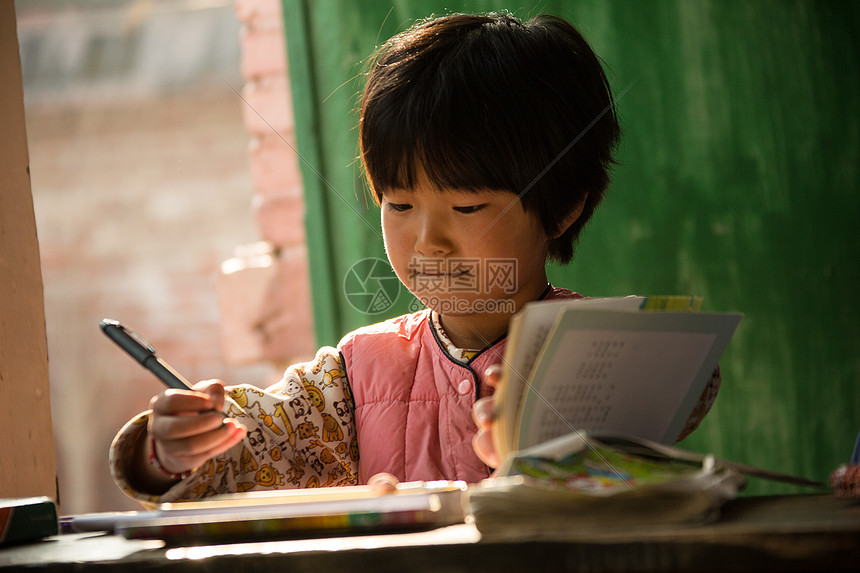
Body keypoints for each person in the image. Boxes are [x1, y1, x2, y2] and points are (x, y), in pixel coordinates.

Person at [110, 12, 719, 505]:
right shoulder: (352, 377)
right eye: (399, 205)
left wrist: (546, 427)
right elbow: (254, 443)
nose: (428, 242)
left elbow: (687, 386)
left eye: (470, 207)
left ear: (561, 209)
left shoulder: (603, 345)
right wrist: (168, 450)